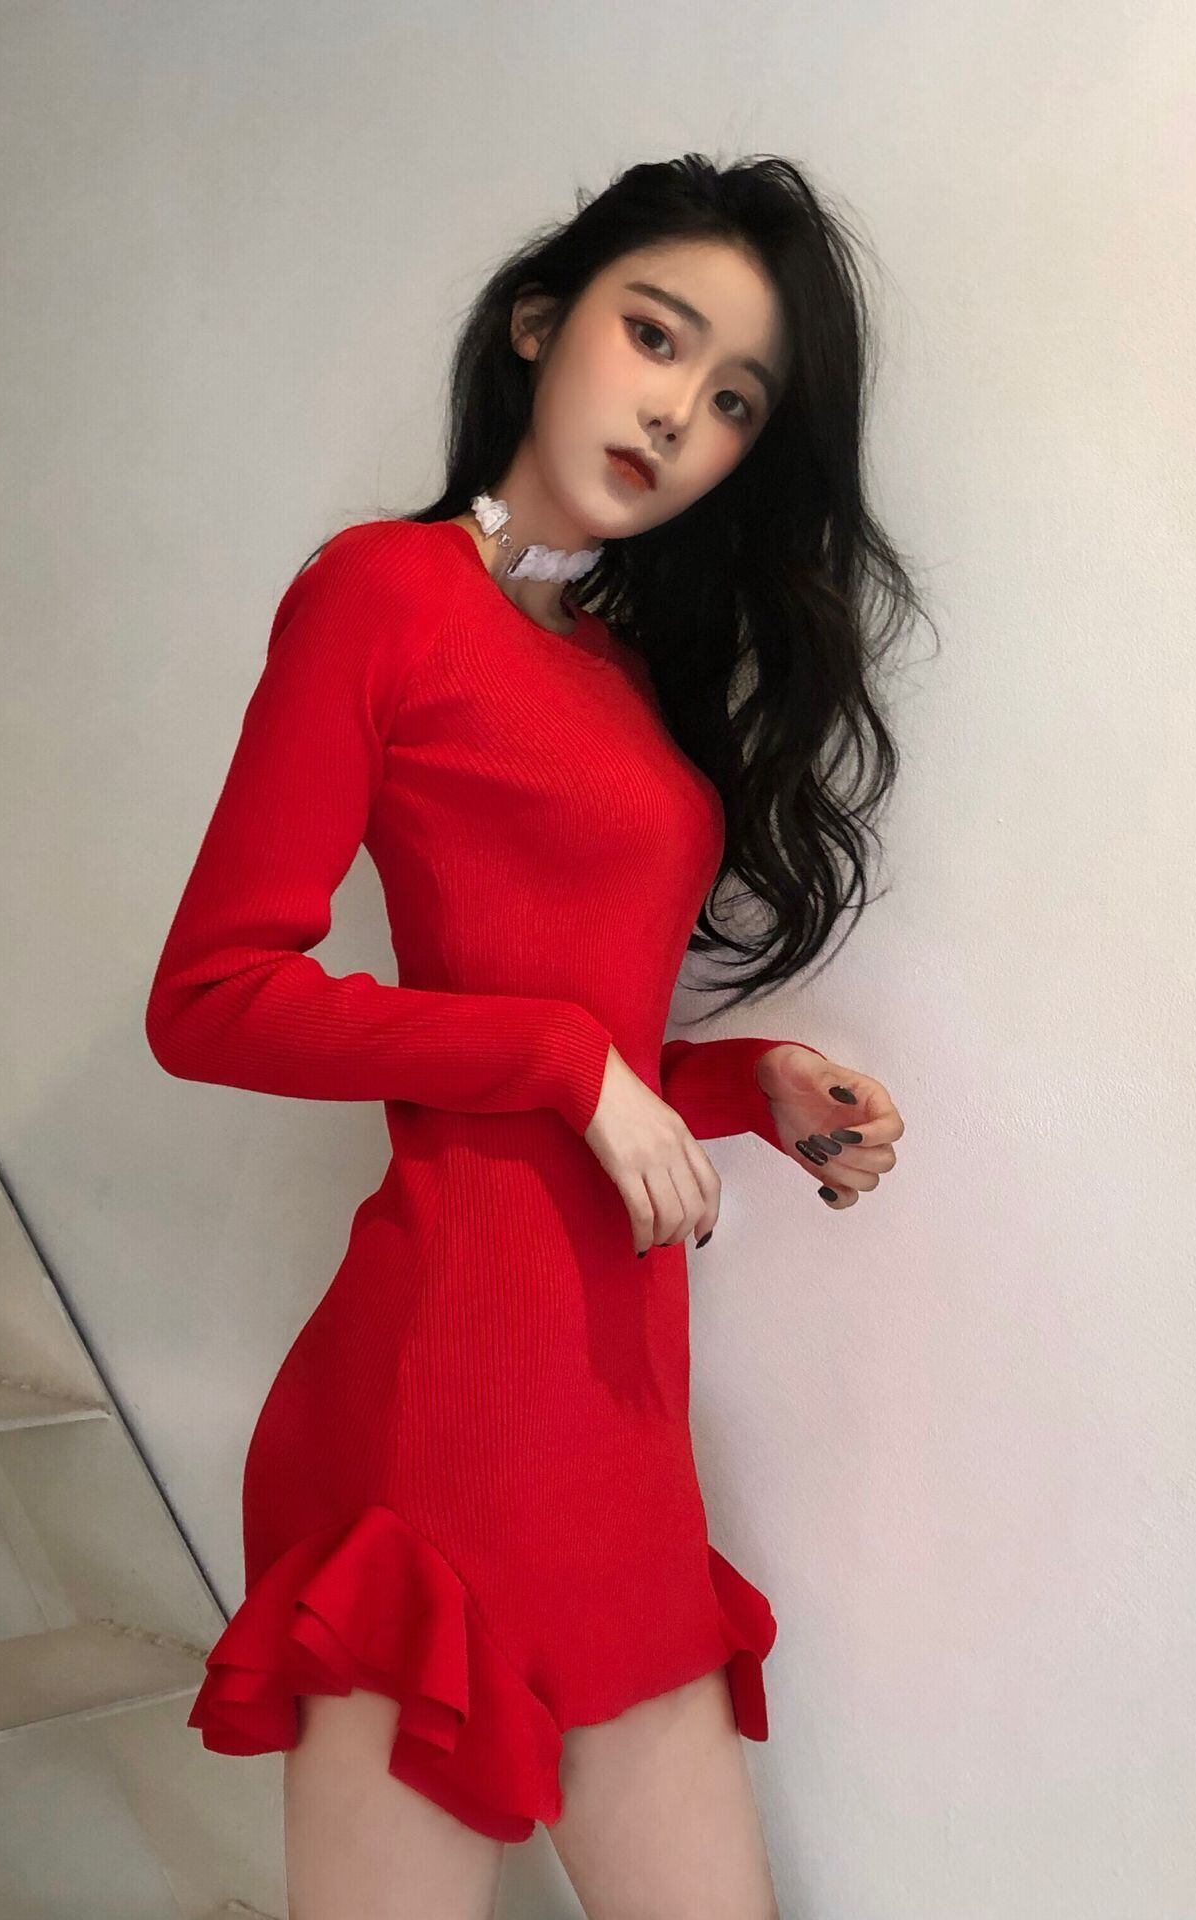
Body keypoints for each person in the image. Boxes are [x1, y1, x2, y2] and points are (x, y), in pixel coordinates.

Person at [145, 151, 917, 1920]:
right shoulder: (380, 591)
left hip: (616, 1408)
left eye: (736, 400)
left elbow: (593, 1026)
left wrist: (743, 1086)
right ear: (536, 321)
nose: (679, 412)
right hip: (446, 1400)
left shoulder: (620, 673)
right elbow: (211, 997)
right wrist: (567, 1070)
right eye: (655, 336)